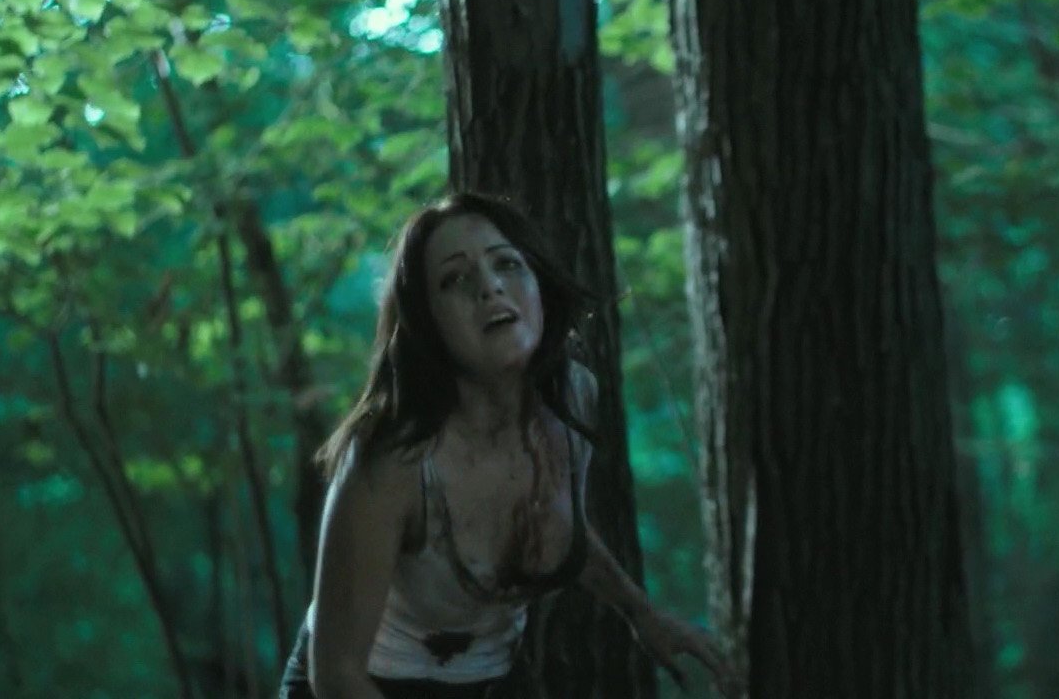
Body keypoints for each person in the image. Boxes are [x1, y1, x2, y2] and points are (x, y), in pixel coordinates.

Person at [278, 192, 737, 699]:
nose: (490, 286)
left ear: (538, 283)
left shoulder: (572, 397)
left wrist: (641, 613)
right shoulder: (394, 458)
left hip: (490, 681)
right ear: (426, 324)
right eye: (455, 279)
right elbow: (336, 676)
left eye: (507, 264)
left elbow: (559, 526)